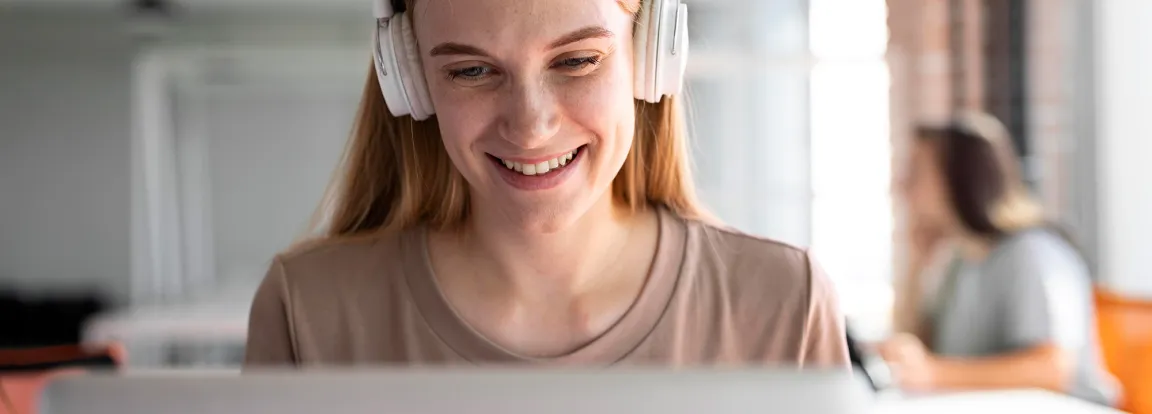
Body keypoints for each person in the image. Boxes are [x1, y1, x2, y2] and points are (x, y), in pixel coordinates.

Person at [243, 0, 850, 368]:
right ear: (411, 82)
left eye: (577, 60)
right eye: (472, 70)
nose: (531, 127)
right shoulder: (307, 314)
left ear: (651, 55)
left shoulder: (784, 308)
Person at [883, 111, 1120, 405]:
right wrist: (916, 264)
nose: (901, 186)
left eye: (916, 171)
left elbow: (1052, 369)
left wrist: (935, 373)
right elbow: (920, 349)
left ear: (958, 178)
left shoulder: (1033, 253)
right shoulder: (960, 261)